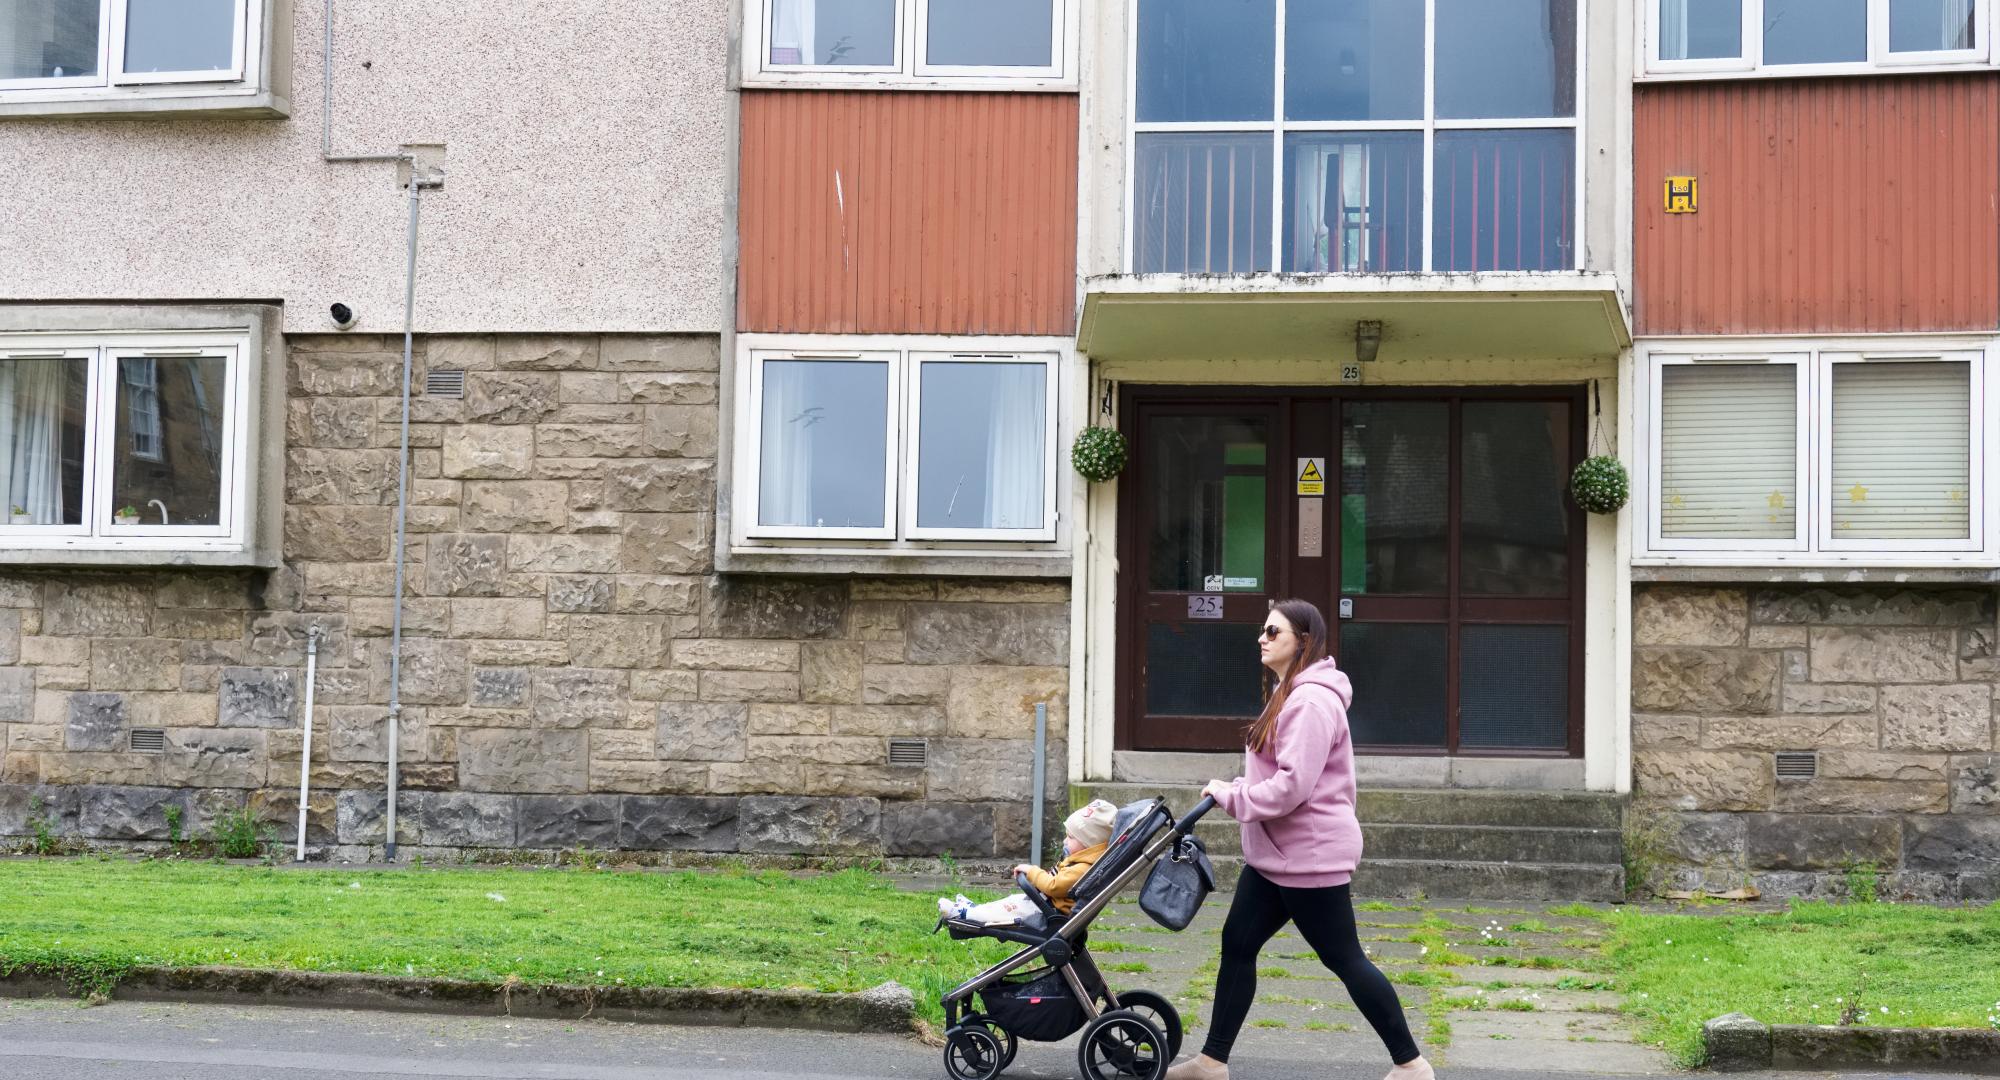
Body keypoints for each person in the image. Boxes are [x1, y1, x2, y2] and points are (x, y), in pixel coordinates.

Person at [1165, 599, 1434, 1080]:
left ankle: (1411, 1064)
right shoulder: (1288, 691)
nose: (1262, 638)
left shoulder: (1310, 702)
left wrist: (1232, 796)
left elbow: (1292, 787)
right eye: (1263, 630)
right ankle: (1211, 1062)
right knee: (1238, 944)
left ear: (1302, 641)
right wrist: (1242, 789)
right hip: (1278, 857)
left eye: (1273, 631)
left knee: (1345, 959)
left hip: (1308, 856)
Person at [937, 799, 1116, 924]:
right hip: (1042, 905)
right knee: (1010, 902)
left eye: (1070, 837)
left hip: (1046, 914)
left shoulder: (1083, 869)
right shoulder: (1079, 862)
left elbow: (1053, 885)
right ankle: (974, 910)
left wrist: (1032, 872)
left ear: (1089, 844)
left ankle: (963, 914)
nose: (1064, 841)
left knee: (1008, 909)